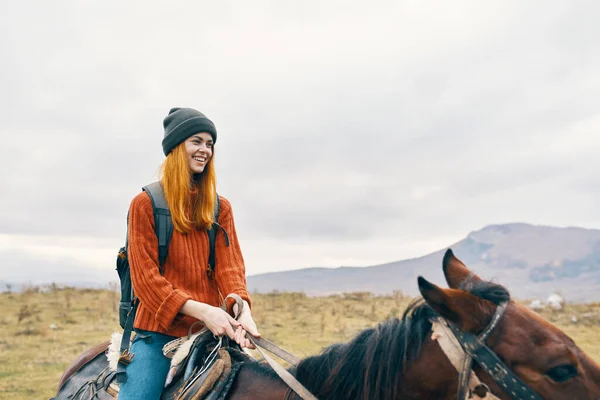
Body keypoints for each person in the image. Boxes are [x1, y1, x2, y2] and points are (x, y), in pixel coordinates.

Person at [118, 107, 260, 400]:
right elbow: (146, 281)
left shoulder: (221, 208)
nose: (205, 150)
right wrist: (205, 311)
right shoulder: (145, 204)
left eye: (210, 144)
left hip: (212, 333)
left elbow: (229, 270)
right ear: (176, 146)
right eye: (196, 141)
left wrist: (241, 308)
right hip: (158, 334)